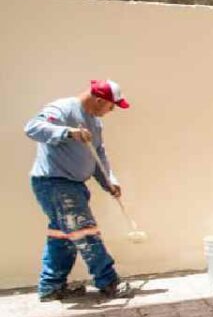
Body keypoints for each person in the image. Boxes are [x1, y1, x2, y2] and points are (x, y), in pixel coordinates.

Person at [24, 80, 136, 301]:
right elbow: (32, 128)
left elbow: (98, 155)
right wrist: (68, 132)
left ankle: (51, 287)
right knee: (85, 231)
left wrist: (109, 182)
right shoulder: (62, 109)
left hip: (73, 185)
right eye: (111, 106)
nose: (111, 111)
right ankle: (108, 282)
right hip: (55, 183)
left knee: (62, 235)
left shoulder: (94, 123)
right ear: (99, 100)